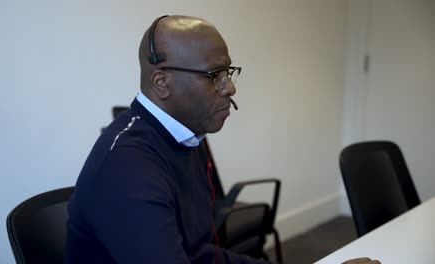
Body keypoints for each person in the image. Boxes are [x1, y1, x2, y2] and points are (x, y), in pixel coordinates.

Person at [66, 15, 380, 264]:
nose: (230, 88)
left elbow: (204, 255)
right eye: (215, 75)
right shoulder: (127, 168)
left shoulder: (187, 139)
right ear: (162, 82)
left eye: (229, 73)